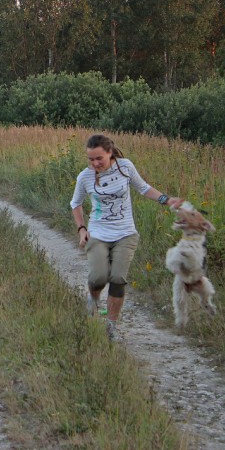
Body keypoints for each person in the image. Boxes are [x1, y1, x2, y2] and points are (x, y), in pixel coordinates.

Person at [70, 134, 182, 341]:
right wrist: (82, 229)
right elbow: (75, 203)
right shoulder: (84, 177)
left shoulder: (125, 167)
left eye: (99, 159)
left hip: (125, 233)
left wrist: (166, 200)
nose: (95, 163)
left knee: (118, 279)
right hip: (98, 233)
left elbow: (144, 188)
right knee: (98, 277)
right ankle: (93, 299)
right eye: (91, 159)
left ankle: (111, 326)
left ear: (110, 153)